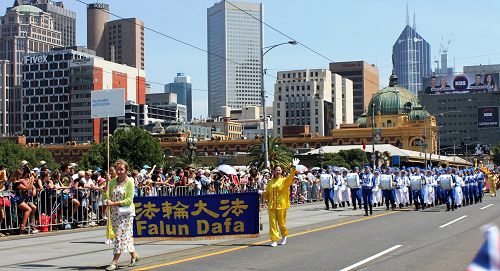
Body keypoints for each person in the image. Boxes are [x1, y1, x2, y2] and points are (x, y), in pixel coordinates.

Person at [104, 160, 139, 270]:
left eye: (122, 169)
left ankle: (114, 262)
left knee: (119, 236)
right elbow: (106, 196)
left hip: (126, 214)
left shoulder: (130, 181)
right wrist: (106, 183)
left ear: (126, 170)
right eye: (117, 169)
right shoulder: (113, 182)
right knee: (125, 236)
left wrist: (114, 203)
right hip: (114, 214)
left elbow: (129, 200)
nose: (119, 171)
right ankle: (134, 256)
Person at [262, 158, 299, 247]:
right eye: (276, 170)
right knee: (272, 224)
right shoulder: (270, 182)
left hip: (281, 205)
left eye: (279, 170)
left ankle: (284, 235)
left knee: (281, 223)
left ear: (281, 171)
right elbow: (267, 194)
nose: (278, 171)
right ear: (273, 172)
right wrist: (262, 193)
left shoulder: (285, 181)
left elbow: (291, 177)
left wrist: (294, 167)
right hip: (272, 206)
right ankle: (274, 239)